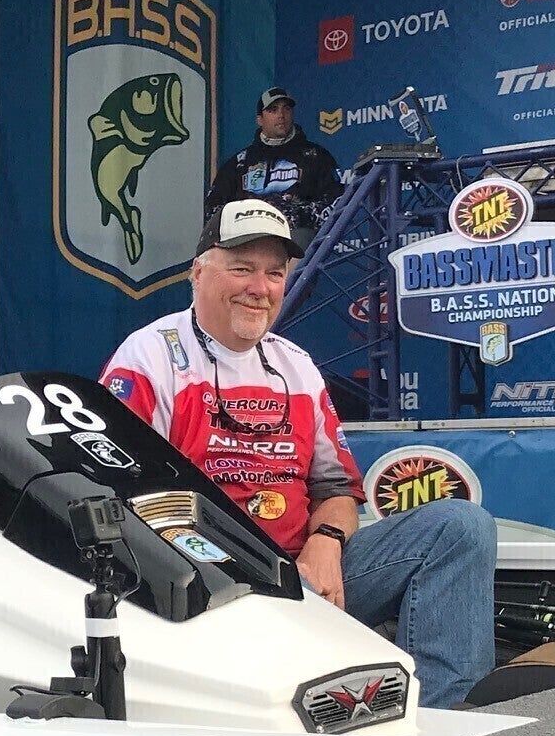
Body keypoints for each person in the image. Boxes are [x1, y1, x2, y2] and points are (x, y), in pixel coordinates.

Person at [100, 199, 496, 708]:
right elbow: (120, 493)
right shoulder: (150, 355)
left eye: (274, 273)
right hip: (206, 586)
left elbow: (336, 489)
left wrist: (326, 543)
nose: (259, 287)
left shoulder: (297, 367)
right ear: (197, 273)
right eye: (241, 268)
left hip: (302, 578)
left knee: (461, 526)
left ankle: (442, 719)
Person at [204, 87, 342, 247]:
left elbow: (335, 200)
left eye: (286, 108)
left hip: (294, 239)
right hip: (246, 239)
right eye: (273, 110)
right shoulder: (240, 162)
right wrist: (246, 219)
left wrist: (298, 213)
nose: (281, 115)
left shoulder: (316, 156)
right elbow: (213, 207)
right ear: (260, 119)